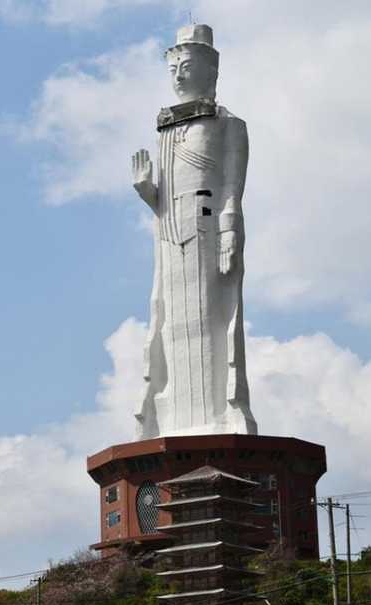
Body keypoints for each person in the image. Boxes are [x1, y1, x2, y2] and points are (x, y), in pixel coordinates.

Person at [129, 24, 257, 439]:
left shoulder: (228, 125)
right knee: (169, 318)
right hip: (170, 230)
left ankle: (220, 410)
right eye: (174, 68)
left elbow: (233, 187)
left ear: (210, 70)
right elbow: (164, 198)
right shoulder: (166, 128)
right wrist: (149, 192)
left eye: (187, 65)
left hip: (207, 223)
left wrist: (228, 229)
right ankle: (171, 416)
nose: (180, 75)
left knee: (210, 315)